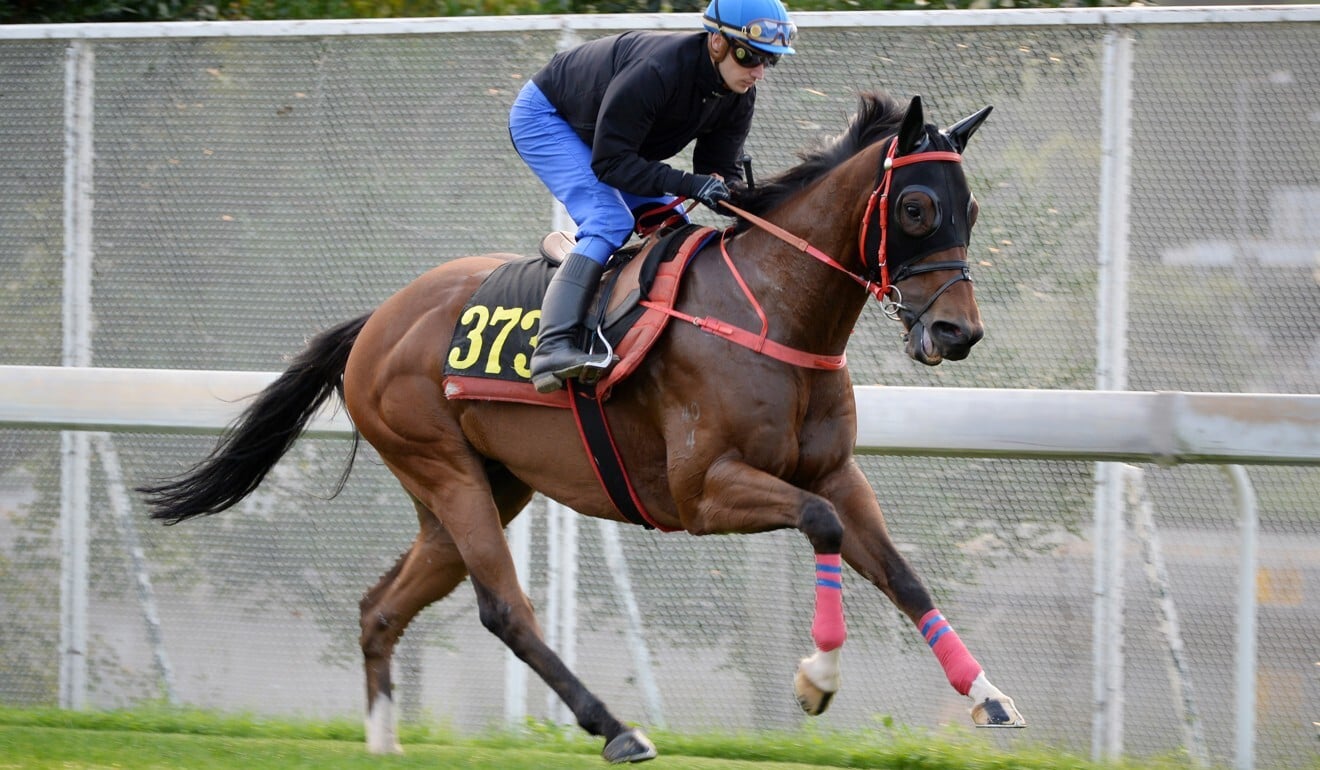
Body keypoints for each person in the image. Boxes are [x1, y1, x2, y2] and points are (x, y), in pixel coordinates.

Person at [508, 0, 798, 393]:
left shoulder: (738, 93)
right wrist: (690, 184)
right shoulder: (658, 70)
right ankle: (553, 347)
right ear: (716, 42)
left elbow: (718, 171)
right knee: (609, 219)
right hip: (548, 118)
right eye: (751, 56)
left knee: (674, 229)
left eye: (771, 61)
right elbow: (610, 164)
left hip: (609, 139)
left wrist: (754, 205)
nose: (759, 72)